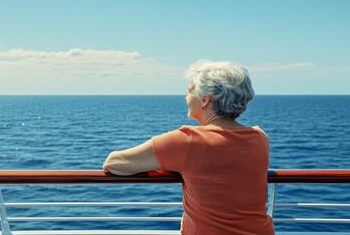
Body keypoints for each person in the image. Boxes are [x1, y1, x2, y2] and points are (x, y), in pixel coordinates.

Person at [103, 60, 275, 235]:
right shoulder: (260, 138)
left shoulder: (187, 141)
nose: (186, 97)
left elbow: (114, 163)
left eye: (190, 90)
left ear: (204, 100)